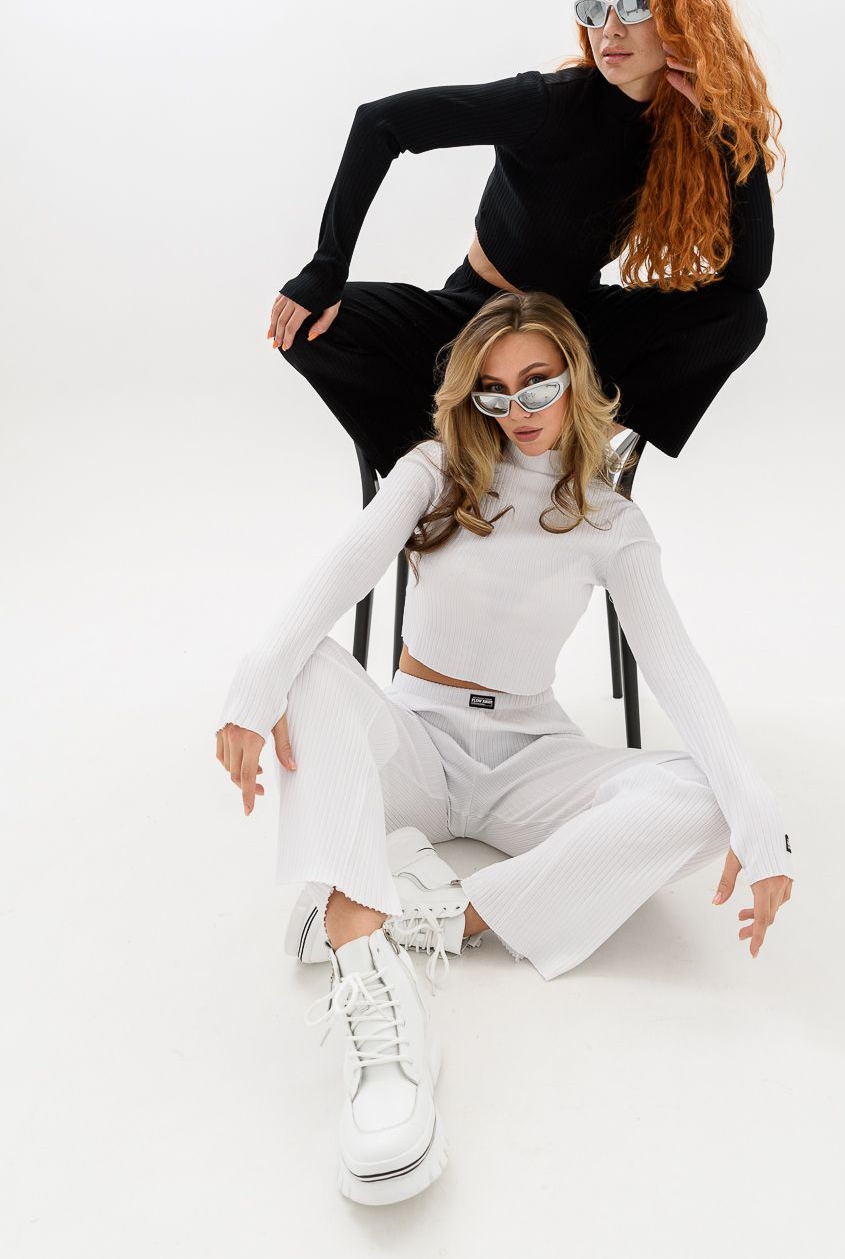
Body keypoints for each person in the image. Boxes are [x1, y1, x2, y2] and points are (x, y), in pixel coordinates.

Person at [215, 290, 795, 1207]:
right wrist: (252, 689)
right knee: (309, 666)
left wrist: (758, 815)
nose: (517, 408)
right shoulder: (434, 471)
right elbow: (341, 571)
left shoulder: (610, 522)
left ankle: (438, 918)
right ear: (469, 396)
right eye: (493, 390)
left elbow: (675, 665)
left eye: (538, 383)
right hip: (416, 738)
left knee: (701, 796)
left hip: (529, 755)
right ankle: (371, 981)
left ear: (575, 379)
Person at [267, 0, 785, 477]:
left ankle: (586, 456)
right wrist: (327, 266)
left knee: (740, 315)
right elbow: (381, 124)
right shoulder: (549, 105)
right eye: (596, 7)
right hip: (474, 321)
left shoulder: (685, 135)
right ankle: (434, 475)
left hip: (571, 331)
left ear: (684, 13)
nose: (610, 28)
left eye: (637, 4)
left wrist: (733, 131)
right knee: (307, 326)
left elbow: (746, 278)